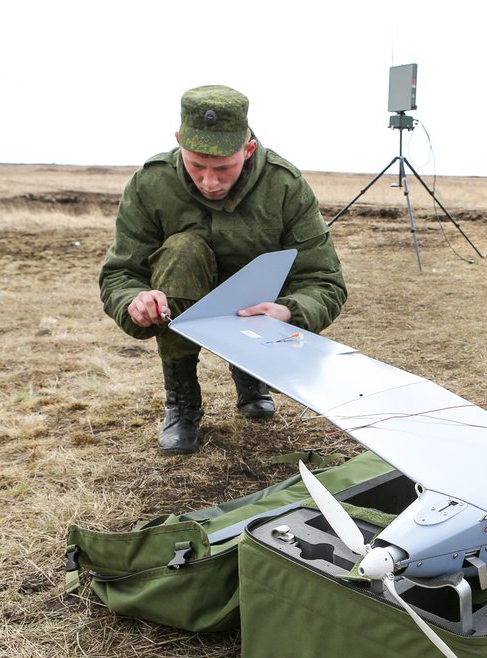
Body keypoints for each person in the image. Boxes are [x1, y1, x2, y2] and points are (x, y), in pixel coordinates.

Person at [99, 85, 346, 455]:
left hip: (252, 309)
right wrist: (133, 301)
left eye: (223, 168)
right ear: (178, 141)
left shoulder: (284, 186)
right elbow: (119, 273)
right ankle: (182, 402)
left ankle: (251, 376)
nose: (209, 182)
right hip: (183, 295)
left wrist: (289, 311)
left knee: (259, 267)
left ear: (248, 149)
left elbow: (324, 280)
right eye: (196, 165)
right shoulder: (151, 183)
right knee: (182, 250)